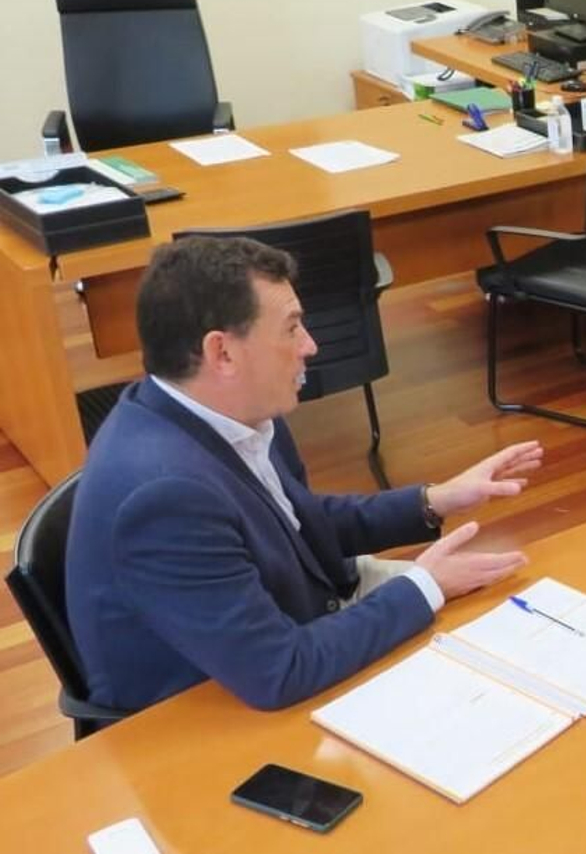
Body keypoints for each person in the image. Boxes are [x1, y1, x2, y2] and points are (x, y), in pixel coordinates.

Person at [67, 236, 543, 713]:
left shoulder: (228, 410)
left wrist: (435, 499)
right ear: (223, 354)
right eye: (292, 328)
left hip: (285, 626)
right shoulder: (165, 498)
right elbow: (279, 671)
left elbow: (297, 521)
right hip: (207, 719)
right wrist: (425, 585)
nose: (310, 345)